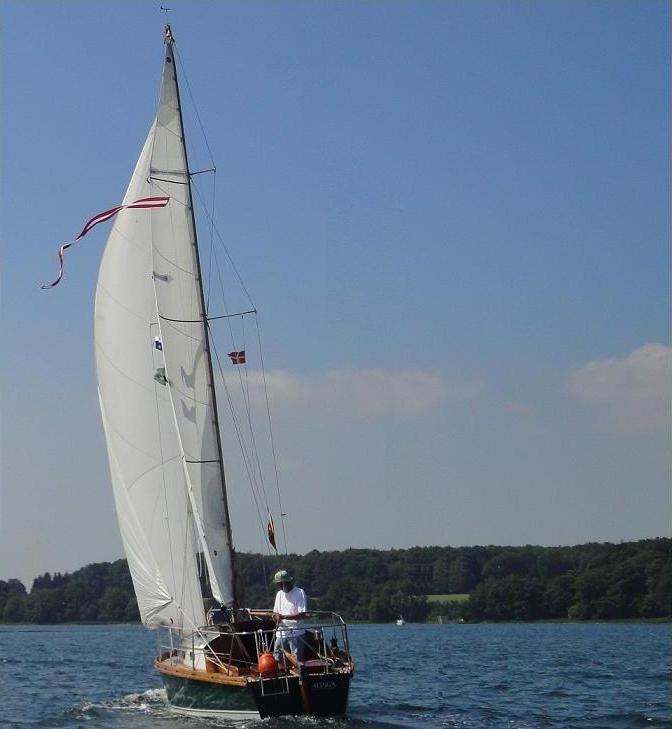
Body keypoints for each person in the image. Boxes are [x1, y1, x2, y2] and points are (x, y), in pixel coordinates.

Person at [272, 569, 307, 663]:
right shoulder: (279, 594)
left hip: (296, 632)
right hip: (281, 632)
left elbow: (302, 615)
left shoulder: (299, 592)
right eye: (278, 584)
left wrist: (284, 617)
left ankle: (298, 671)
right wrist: (276, 617)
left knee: (296, 660)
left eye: (280, 584)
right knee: (277, 658)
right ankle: (280, 671)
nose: (279, 586)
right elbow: (275, 613)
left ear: (286, 582)